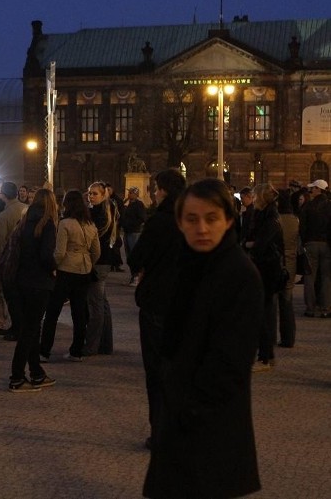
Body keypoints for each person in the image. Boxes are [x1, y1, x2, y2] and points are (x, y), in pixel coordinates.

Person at [143, 178, 262, 499]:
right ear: (180, 222)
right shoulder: (190, 263)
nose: (202, 228)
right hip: (179, 420)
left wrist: (188, 411)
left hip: (210, 426)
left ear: (228, 219)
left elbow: (231, 364)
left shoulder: (239, 274)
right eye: (192, 219)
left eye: (212, 218)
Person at [127, 168, 186, 449]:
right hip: (187, 303)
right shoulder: (194, 220)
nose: (153, 191)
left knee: (158, 371)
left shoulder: (160, 222)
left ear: (164, 190)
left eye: (155, 187)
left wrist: (144, 269)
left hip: (159, 302)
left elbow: (137, 257)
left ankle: (162, 432)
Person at [8, 188, 58, 392]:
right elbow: (46, 255)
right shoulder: (47, 224)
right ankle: (17, 377)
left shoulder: (25, 222)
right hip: (38, 282)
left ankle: (36, 372)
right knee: (29, 331)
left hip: (21, 280)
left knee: (31, 328)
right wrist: (54, 269)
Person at [40, 190, 99, 361]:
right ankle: (76, 350)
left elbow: (59, 252)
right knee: (79, 312)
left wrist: (53, 266)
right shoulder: (90, 225)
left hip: (66, 270)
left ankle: (44, 350)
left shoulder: (65, 224)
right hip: (84, 269)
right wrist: (88, 261)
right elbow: (96, 251)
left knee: (53, 311)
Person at [244, 183, 285, 372]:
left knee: (263, 313)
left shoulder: (270, 217)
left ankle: (265, 357)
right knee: (262, 312)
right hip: (263, 266)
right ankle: (266, 355)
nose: (252, 197)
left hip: (268, 268)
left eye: (254, 194)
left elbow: (261, 243)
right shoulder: (263, 214)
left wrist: (251, 244)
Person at [0, 181, 28, 340]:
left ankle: (3, 324)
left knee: (1, 293)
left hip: (7, 260)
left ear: (3, 195)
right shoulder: (26, 210)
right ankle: (19, 324)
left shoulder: (3, 216)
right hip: (25, 259)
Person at [84, 181, 117, 356]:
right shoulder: (106, 210)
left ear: (103, 194)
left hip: (98, 262)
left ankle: (92, 345)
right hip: (103, 261)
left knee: (95, 305)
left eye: (95, 193)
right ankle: (105, 344)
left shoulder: (101, 213)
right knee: (102, 304)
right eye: (89, 193)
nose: (91, 196)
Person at [299, 179, 331, 317]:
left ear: (318, 189)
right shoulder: (329, 206)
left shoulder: (308, 206)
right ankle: (325, 308)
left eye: (313, 189)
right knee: (326, 277)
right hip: (326, 244)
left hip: (311, 243)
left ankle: (310, 308)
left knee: (309, 277)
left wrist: (305, 241)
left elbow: (302, 227)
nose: (311, 191)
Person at [275, 191, 298, 348]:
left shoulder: (276, 220)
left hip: (278, 261)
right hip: (291, 261)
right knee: (287, 302)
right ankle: (289, 338)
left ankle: (270, 338)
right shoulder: (295, 219)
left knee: (272, 302)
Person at [121, 186, 147, 285]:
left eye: (131, 193)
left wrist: (132, 224)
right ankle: (134, 275)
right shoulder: (128, 204)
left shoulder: (138, 205)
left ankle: (137, 275)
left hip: (134, 232)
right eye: (129, 192)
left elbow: (142, 218)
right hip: (127, 231)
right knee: (129, 255)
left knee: (134, 254)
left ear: (136, 194)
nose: (129, 194)